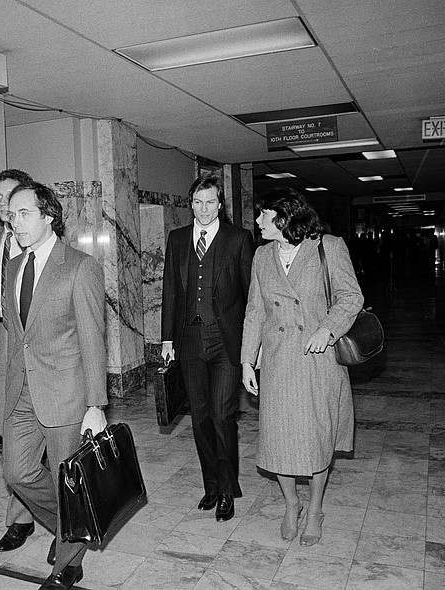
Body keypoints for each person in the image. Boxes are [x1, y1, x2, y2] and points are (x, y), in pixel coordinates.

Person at [241, 187, 363, 547]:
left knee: (316, 439)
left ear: (284, 216)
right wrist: (247, 360)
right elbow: (255, 311)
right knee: (279, 439)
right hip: (278, 361)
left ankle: (315, 509)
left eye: (264, 214)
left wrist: (327, 329)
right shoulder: (262, 256)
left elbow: (351, 297)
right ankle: (292, 503)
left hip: (316, 361)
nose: (258, 220)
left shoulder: (328, 247)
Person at [2, 182, 107, 590]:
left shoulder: (80, 266)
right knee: (17, 472)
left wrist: (95, 404)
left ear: (48, 216)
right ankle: (72, 527)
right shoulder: (14, 266)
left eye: (24, 213)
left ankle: (68, 564)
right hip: (22, 391)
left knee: (69, 479)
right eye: (11, 215)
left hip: (66, 393)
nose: (15, 222)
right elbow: (17, 335)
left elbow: (92, 339)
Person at [161, 172, 254, 522]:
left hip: (226, 341)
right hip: (189, 341)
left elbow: (251, 296)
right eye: (198, 203)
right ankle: (211, 485)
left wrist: (252, 346)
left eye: (210, 202)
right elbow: (171, 291)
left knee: (222, 415)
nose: (203, 209)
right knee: (199, 417)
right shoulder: (177, 239)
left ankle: (228, 489)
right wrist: (167, 339)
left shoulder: (238, 239)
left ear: (220, 204)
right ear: (191, 204)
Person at [0, 169, 39, 554]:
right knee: (6, 429)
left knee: (39, 428)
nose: (4, 205)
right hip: (2, 342)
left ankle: (21, 518)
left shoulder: (35, 239)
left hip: (31, 342)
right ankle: (33, 496)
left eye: (10, 197)